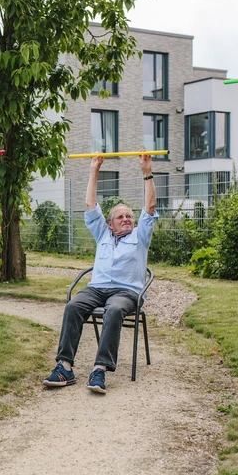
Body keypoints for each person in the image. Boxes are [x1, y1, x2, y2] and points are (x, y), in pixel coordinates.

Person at [43, 153, 157, 394]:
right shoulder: (102, 234)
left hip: (127, 292)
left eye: (129, 216)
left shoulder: (140, 236)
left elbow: (150, 207)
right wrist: (94, 169)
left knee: (114, 310)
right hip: (97, 289)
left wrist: (146, 172)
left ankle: (99, 369)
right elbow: (90, 204)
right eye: (120, 217)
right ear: (109, 223)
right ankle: (64, 367)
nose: (126, 219)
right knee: (73, 306)